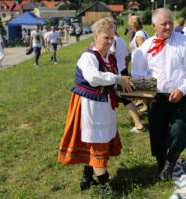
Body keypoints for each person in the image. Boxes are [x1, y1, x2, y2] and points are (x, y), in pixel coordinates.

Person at [57, 17, 134, 195]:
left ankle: (86, 177)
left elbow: (115, 82)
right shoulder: (88, 56)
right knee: (96, 142)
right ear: (96, 36)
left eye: (111, 37)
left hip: (105, 104)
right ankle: (105, 188)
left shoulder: (111, 59)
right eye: (105, 37)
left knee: (98, 141)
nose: (109, 41)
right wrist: (117, 79)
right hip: (89, 106)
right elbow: (93, 78)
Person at [131, 8, 186, 181]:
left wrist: (182, 89)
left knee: (180, 130)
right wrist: (146, 94)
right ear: (154, 26)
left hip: (181, 96)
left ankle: (171, 160)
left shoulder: (185, 43)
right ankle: (161, 163)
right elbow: (136, 73)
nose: (168, 27)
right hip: (156, 98)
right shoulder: (146, 48)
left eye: (170, 22)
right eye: (163, 24)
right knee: (157, 133)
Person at [110, 19, 145, 133]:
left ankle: (138, 124)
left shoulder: (112, 40)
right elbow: (126, 58)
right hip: (123, 71)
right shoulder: (121, 40)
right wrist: (124, 70)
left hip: (116, 73)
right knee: (125, 99)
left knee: (123, 99)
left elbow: (111, 56)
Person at [129, 15, 150, 112]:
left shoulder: (139, 35)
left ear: (133, 24)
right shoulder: (141, 32)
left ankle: (146, 105)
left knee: (141, 84)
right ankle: (143, 102)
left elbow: (143, 50)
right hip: (139, 64)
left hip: (140, 65)